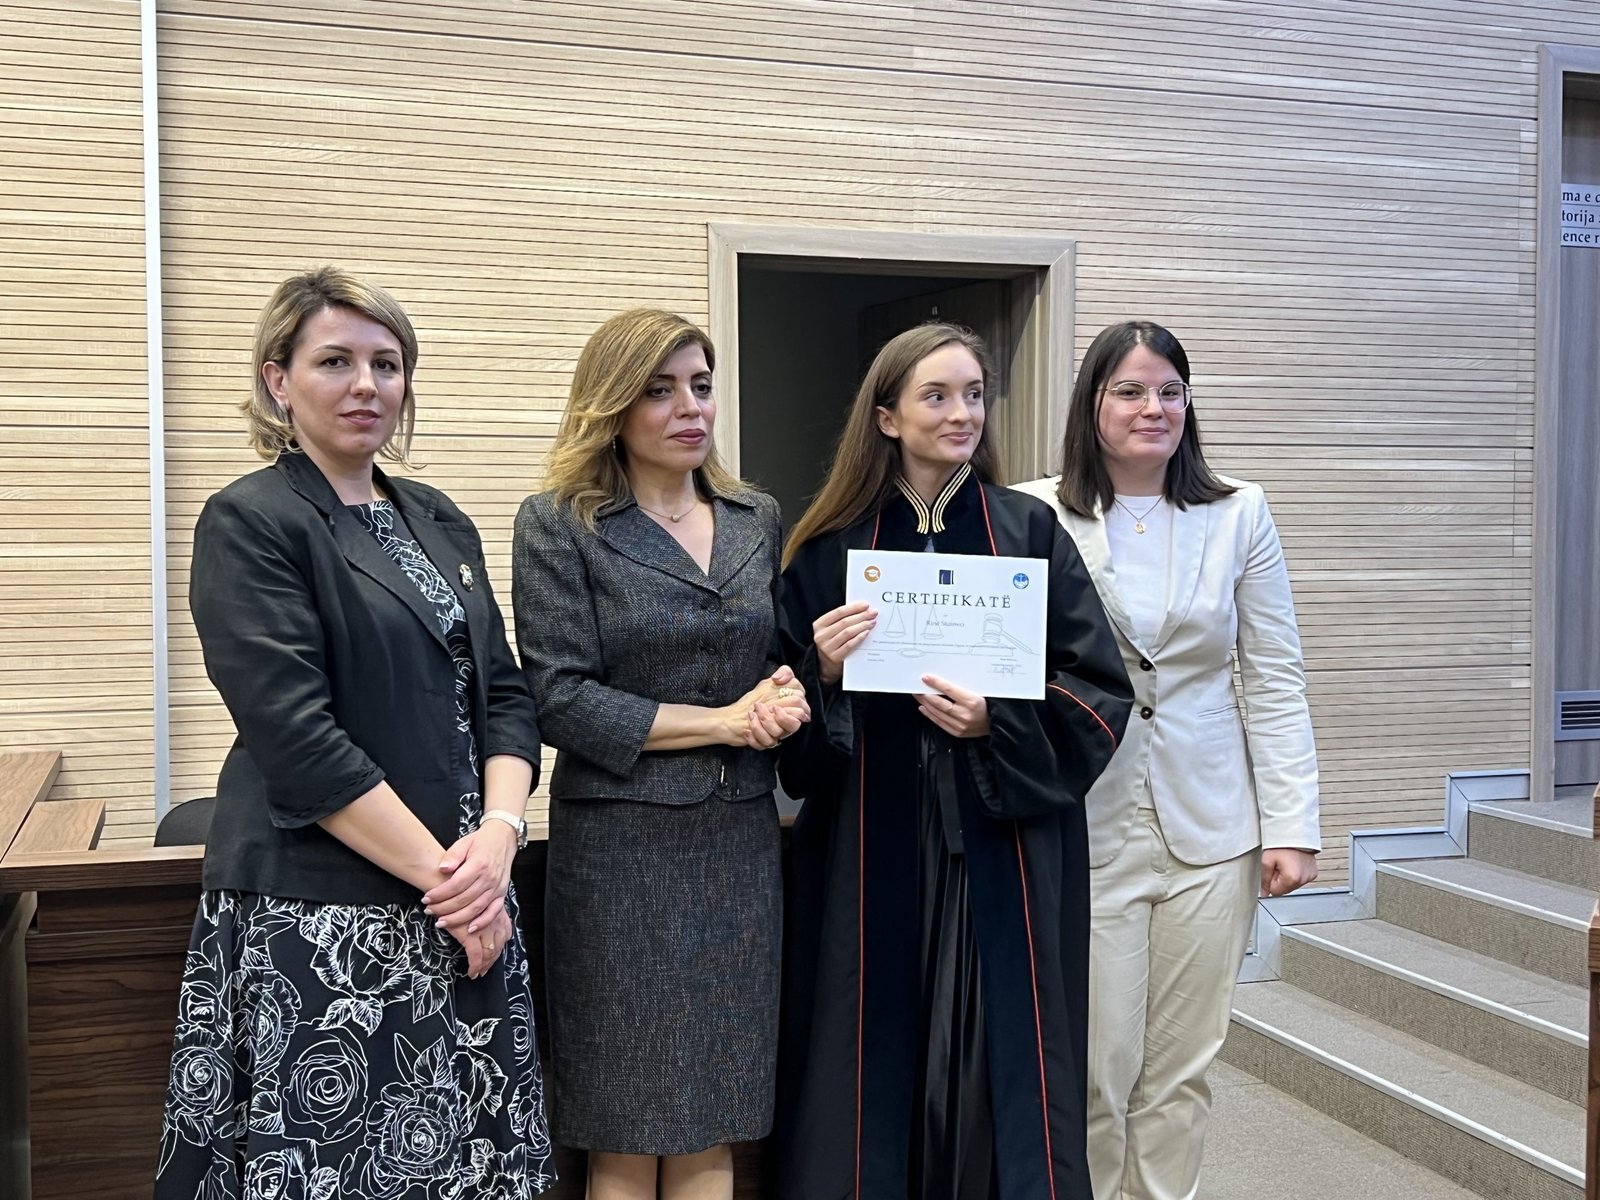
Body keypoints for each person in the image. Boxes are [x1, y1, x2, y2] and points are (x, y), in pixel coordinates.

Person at [156, 267, 554, 1198]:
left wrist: (500, 838)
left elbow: (504, 695)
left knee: (464, 1167)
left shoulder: (438, 518)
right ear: (278, 380)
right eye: (334, 361)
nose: (366, 385)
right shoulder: (251, 520)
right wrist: (458, 888)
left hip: (463, 902)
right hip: (327, 915)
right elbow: (299, 741)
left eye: (387, 363)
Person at [774, 322, 1134, 1200]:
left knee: (999, 1058)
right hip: (867, 845)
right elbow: (780, 722)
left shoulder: (1028, 531)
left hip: (1004, 841)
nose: (962, 413)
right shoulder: (830, 549)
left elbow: (1098, 690)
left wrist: (997, 721)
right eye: (936, 396)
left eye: (973, 394)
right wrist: (823, 672)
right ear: (887, 416)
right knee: (869, 1057)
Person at [1014, 319, 1321, 1200]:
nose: (1153, 408)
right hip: (1086, 821)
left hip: (1213, 826)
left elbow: (1275, 675)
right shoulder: (1034, 511)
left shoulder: (1240, 512)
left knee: (1181, 1073)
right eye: (1130, 391)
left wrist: (1292, 824)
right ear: (1092, 403)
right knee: (1095, 1074)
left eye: (1170, 391)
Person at [511, 308, 808, 1200]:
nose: (690, 408)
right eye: (659, 389)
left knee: (715, 1114)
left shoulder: (755, 516)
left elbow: (767, 659)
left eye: (701, 387)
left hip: (739, 841)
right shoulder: (561, 522)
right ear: (612, 404)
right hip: (623, 852)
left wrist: (791, 691)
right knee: (626, 1124)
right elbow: (561, 698)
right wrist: (723, 723)